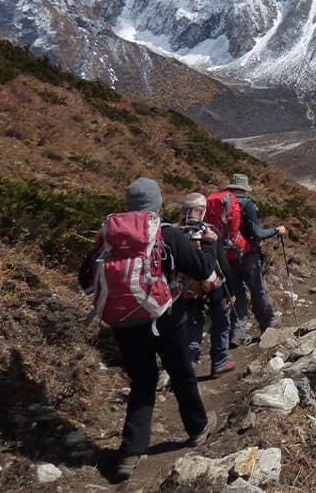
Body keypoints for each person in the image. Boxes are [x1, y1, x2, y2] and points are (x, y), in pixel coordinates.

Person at [78, 177, 218, 482]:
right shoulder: (166, 233)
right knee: (181, 372)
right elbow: (203, 269)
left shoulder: (110, 236)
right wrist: (209, 243)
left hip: (124, 321)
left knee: (142, 380)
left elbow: (84, 279)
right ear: (157, 203)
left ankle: (130, 452)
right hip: (167, 317)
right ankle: (197, 427)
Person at [223, 173, 286, 347]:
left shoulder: (223, 203)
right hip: (248, 256)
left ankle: (237, 334)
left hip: (228, 256)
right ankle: (268, 327)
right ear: (245, 188)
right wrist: (276, 230)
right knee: (258, 291)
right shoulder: (247, 204)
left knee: (237, 294)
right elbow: (257, 233)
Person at [179, 192, 235, 377]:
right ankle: (219, 361)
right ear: (203, 211)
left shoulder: (175, 231)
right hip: (213, 285)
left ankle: (190, 362)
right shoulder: (210, 231)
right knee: (220, 322)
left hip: (188, 288)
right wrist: (231, 290)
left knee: (193, 323)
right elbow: (222, 263)